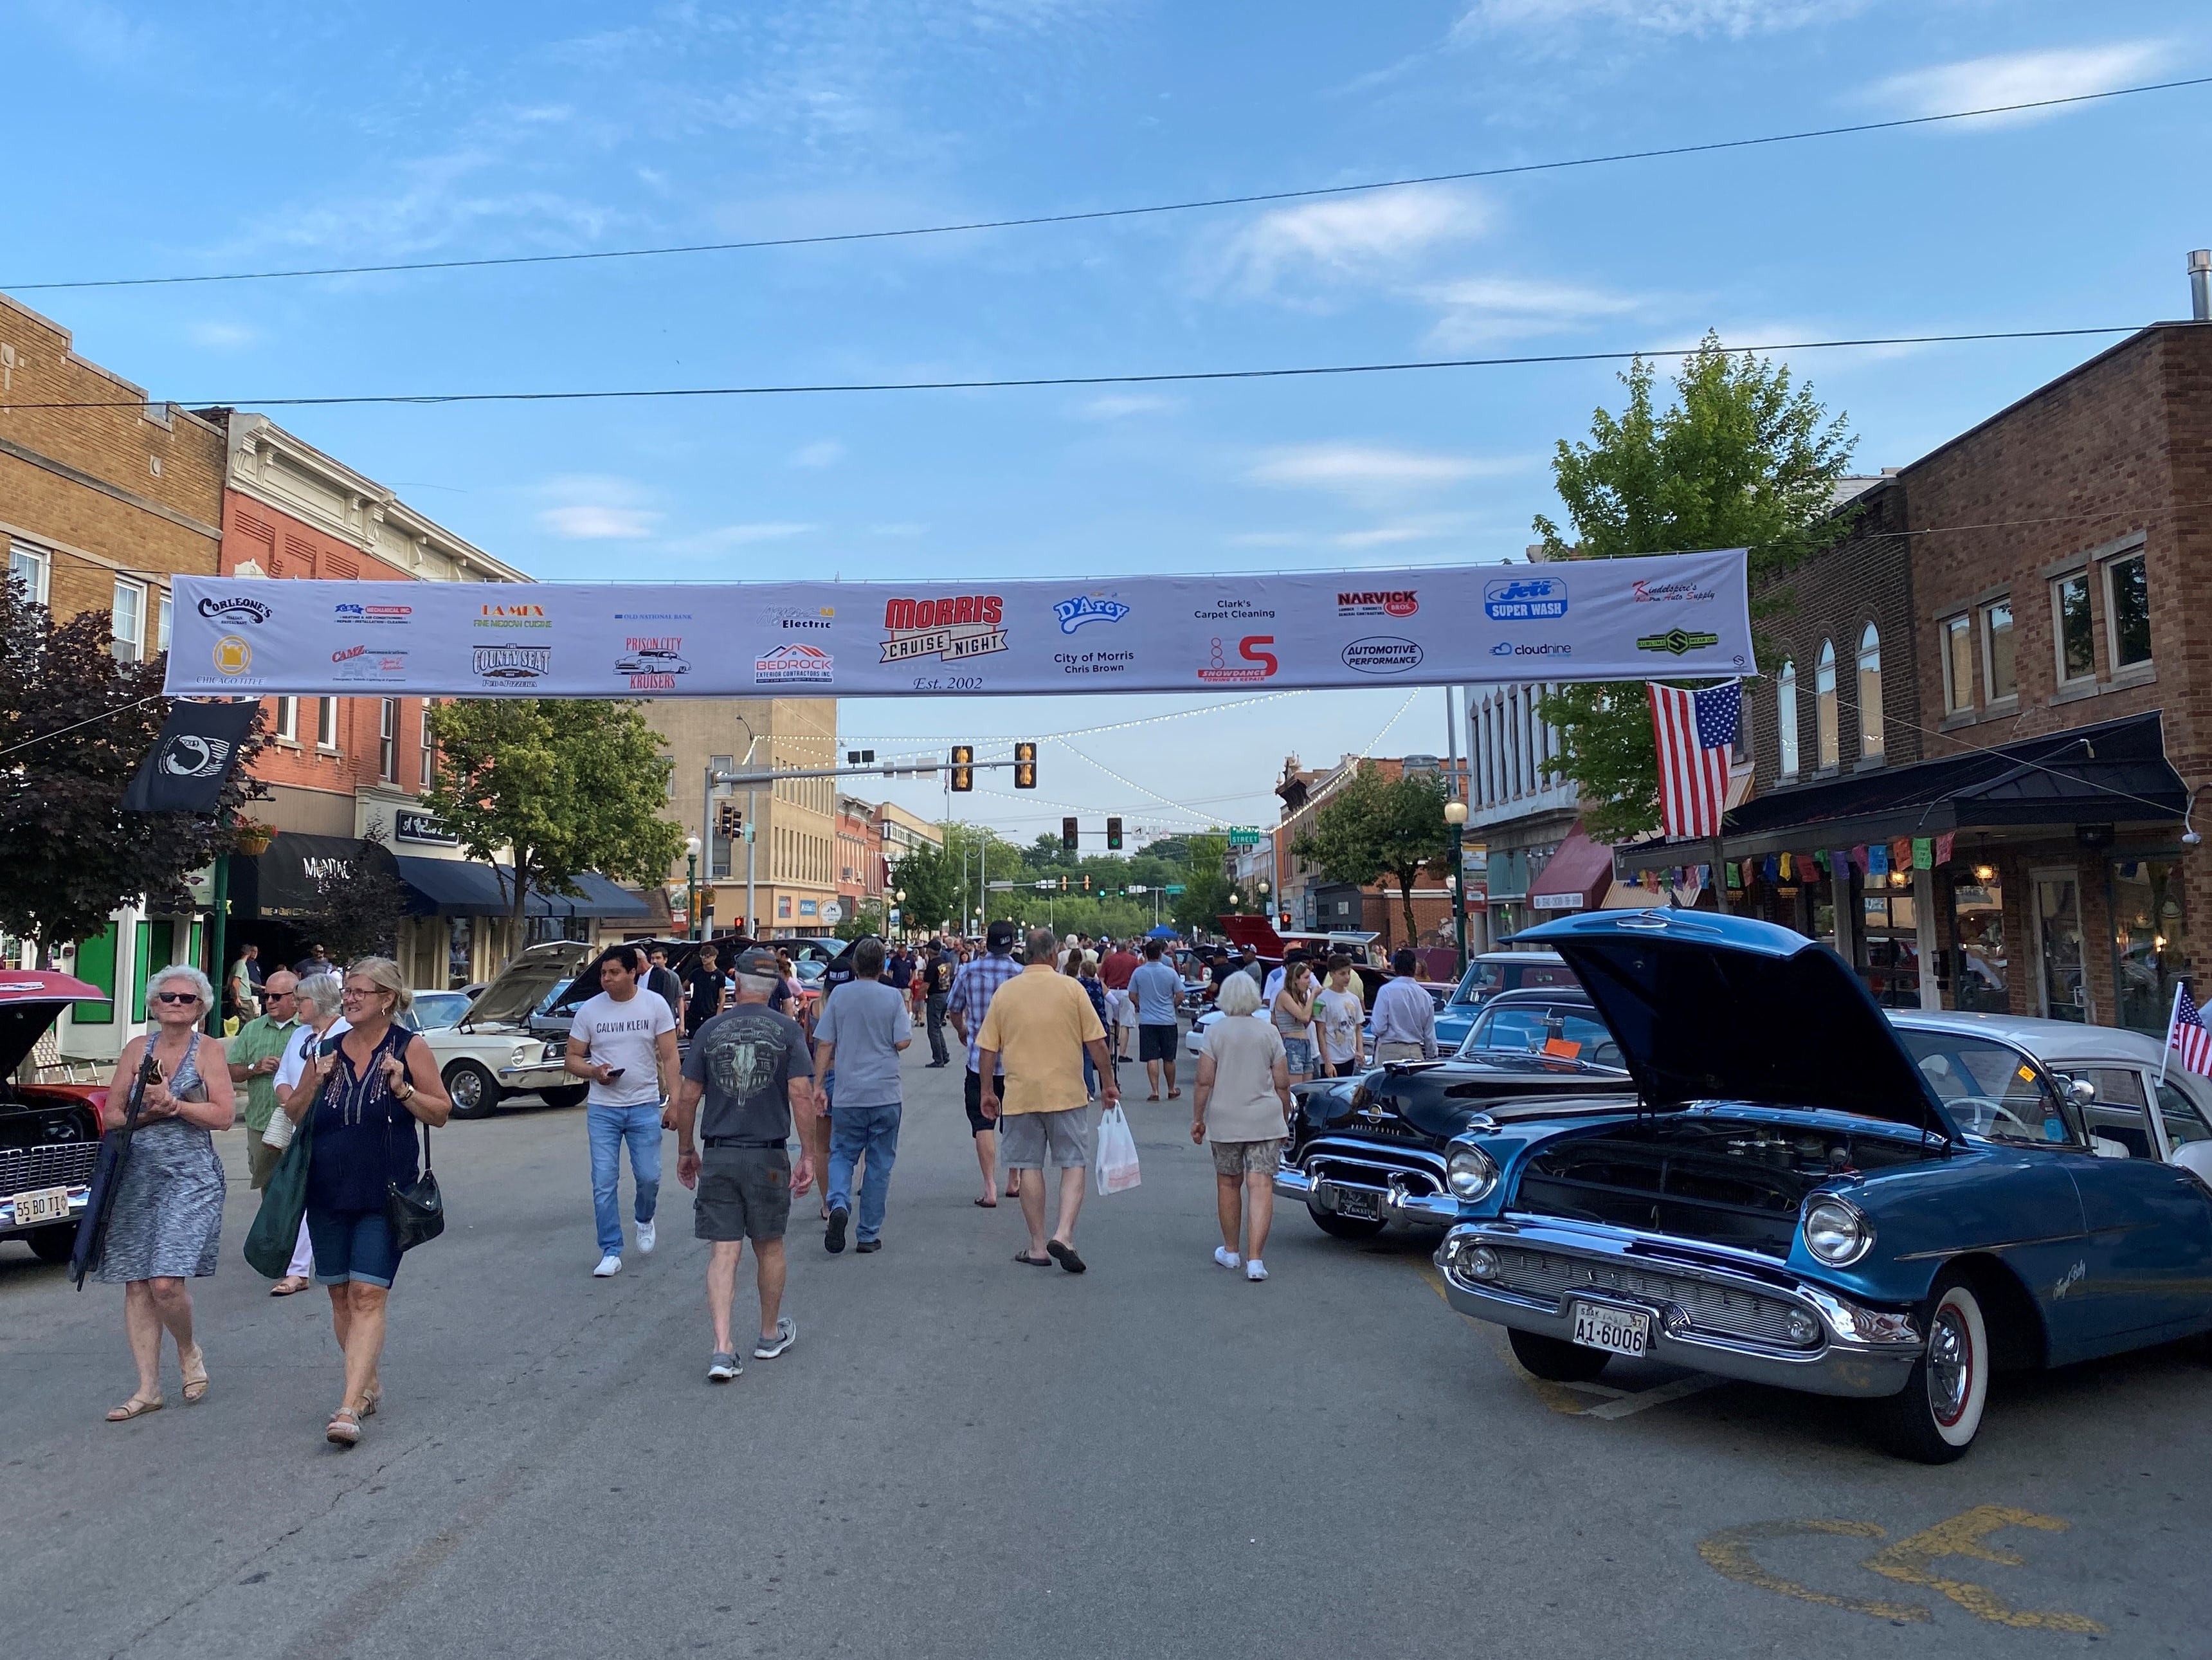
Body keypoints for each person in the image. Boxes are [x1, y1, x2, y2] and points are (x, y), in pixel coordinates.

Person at [279, 957, 451, 1446]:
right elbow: (292, 1112)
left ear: (387, 999)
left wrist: (403, 1089)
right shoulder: (325, 1048)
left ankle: (348, 1405)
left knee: (367, 1294)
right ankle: (368, 1383)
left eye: (360, 991)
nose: (350, 997)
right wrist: (314, 1078)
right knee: (339, 1294)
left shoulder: (408, 1047)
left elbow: (440, 1113)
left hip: (385, 1193)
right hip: (327, 1192)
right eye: (348, 990)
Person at [95, 965, 237, 1423]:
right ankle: (147, 1388)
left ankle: (188, 1348)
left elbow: (223, 1115)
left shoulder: (208, 1050)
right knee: (137, 1281)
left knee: (165, 1282)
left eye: (187, 999)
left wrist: (174, 1104)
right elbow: (112, 1115)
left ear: (201, 1008)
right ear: (153, 1004)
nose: (176, 1004)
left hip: (190, 1176)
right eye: (168, 997)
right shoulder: (138, 1049)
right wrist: (149, 1114)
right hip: (137, 1176)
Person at [671, 948, 817, 1382]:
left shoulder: (710, 1031)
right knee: (769, 1245)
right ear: (774, 985)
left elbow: (687, 1096)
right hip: (768, 1153)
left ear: (737, 984)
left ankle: (721, 1346)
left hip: (719, 1151)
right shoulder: (789, 1031)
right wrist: (807, 1153)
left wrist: (685, 1149)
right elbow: (801, 1095)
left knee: (724, 1250)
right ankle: (769, 1334)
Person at [977, 927, 1116, 1273]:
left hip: (1022, 1093)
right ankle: (1064, 1234)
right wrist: (1108, 1083)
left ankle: (1038, 1245)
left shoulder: (1006, 993)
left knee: (1028, 1166)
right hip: (1066, 1091)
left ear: (1026, 955)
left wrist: (986, 1092)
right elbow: (1097, 1044)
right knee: (1072, 1163)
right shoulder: (1072, 989)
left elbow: (987, 1050)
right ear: (1054, 953)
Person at [565, 945, 680, 1278]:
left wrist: (676, 1101)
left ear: (634, 972)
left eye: (614, 972)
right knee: (603, 1181)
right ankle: (611, 1249)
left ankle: (644, 1218)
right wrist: (593, 1071)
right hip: (603, 1109)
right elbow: (572, 1057)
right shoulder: (589, 1011)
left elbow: (671, 1057)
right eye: (603, 973)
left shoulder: (654, 1005)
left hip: (644, 1104)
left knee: (649, 1176)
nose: (606, 979)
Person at [812, 938, 911, 1254]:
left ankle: (838, 1202)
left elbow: (824, 1043)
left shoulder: (839, 995)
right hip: (884, 1091)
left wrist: (818, 1085)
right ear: (882, 965)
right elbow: (902, 1042)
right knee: (879, 1164)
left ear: (855, 966)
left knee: (842, 1153)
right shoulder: (893, 997)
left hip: (848, 1092)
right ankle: (868, 1234)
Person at [1190, 972, 1291, 1281]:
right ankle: (1256, 1260)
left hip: (1225, 1119)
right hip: (1264, 1119)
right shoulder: (1269, 1032)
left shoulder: (1216, 1032)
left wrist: (1198, 1119)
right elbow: (1283, 1084)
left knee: (1228, 1184)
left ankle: (1231, 1251)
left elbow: (1205, 1081)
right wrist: (1283, 1120)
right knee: (1260, 1186)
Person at [270, 974, 346, 1296]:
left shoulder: (345, 1032)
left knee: (326, 1195)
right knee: (302, 1193)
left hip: (335, 1127)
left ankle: (328, 1263)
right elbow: (282, 1076)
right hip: (302, 1123)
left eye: (301, 999)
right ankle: (298, 1269)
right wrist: (293, 1103)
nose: (295, 1005)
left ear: (319, 1001)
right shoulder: (301, 1034)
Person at [947, 920, 1023, 1205]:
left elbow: (954, 1010)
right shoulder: (1020, 974)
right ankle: (1014, 1179)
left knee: (983, 1122)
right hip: (1015, 1061)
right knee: (1014, 1121)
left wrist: (963, 1031)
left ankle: (990, 1186)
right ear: (1012, 942)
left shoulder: (968, 971)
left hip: (980, 1061)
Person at [227, 969, 299, 1194]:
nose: (269, 1001)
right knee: (268, 1189)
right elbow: (231, 1072)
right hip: (261, 1123)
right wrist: (254, 1068)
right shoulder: (252, 1029)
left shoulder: (308, 1029)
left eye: (276, 997)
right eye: (266, 996)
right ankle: (271, 1231)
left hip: (300, 1122)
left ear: (295, 997)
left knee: (300, 1189)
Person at [1128, 937, 1184, 1101]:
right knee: (1169, 1057)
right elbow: (1181, 995)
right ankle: (1171, 1088)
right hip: (1167, 1020)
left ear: (1145, 954)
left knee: (1151, 1057)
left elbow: (1132, 995)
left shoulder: (1139, 972)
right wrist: (1171, 1005)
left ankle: (1155, 1091)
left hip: (1147, 1020)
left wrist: (1140, 1005)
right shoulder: (1170, 972)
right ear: (1160, 953)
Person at [1370, 949, 1438, 1062]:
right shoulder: (1425, 996)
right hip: (1415, 1051)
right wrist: (1432, 1054)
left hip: (1389, 1050)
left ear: (1394, 967)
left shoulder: (1386, 991)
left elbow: (1378, 1028)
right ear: (1414, 968)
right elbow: (1429, 1034)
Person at [1315, 955, 1367, 1078]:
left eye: (1348, 973)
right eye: (1342, 974)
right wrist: (1327, 1061)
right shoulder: (1321, 1000)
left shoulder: (1354, 999)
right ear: (1332, 975)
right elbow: (1320, 1032)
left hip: (1350, 1057)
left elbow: (1358, 1028)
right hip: (1332, 1059)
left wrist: (1360, 1050)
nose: (1347, 977)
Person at [1271, 960, 1318, 1085]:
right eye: (1306, 978)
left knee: (1307, 1087)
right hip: (1292, 1044)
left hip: (1305, 1043)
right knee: (1296, 1088)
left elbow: (1305, 1022)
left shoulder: (1299, 998)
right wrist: (1313, 995)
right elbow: (1303, 1017)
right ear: (1296, 979)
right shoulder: (1284, 996)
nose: (1310, 981)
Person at [1072, 950, 1111, 1099]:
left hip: (1081, 1025)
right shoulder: (1099, 985)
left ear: (1082, 972)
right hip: (1100, 1023)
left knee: (1084, 1058)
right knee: (1098, 1056)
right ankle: (1100, 1086)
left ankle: (1087, 1089)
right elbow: (1114, 1001)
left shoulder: (1077, 984)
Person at [1100, 937, 1140, 1063]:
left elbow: (1101, 978)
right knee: (1125, 1024)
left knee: (1111, 1023)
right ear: (1126, 948)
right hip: (1126, 991)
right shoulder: (1133, 961)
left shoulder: (1109, 960)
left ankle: (1110, 1051)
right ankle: (1122, 1053)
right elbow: (1137, 978)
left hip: (1110, 991)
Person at [922, 940, 957, 1067]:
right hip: (945, 994)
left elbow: (926, 985)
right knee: (937, 1027)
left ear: (930, 950)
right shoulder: (943, 962)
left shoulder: (932, 965)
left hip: (935, 996)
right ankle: (944, 1055)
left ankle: (938, 1059)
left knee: (933, 1029)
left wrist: (918, 999)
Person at [685, 943, 726, 1040]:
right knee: (693, 1041)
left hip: (710, 1014)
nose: (704, 959)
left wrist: (718, 1016)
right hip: (694, 1014)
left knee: (709, 1041)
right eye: (702, 956)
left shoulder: (720, 975)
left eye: (707, 956)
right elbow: (683, 986)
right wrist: (683, 1001)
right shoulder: (696, 973)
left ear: (714, 957)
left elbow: (722, 998)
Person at [646, 947, 685, 1026]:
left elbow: (680, 999)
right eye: (652, 958)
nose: (654, 961)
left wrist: (682, 1023)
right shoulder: (647, 975)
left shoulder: (673, 977)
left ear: (665, 960)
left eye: (658, 958)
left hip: (668, 1017)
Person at [225, 944, 262, 1026]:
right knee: (250, 1023)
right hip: (243, 999)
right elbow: (235, 982)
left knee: (237, 1023)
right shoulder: (241, 965)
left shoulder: (237, 964)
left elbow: (232, 981)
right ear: (249, 953)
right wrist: (237, 997)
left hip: (240, 998)